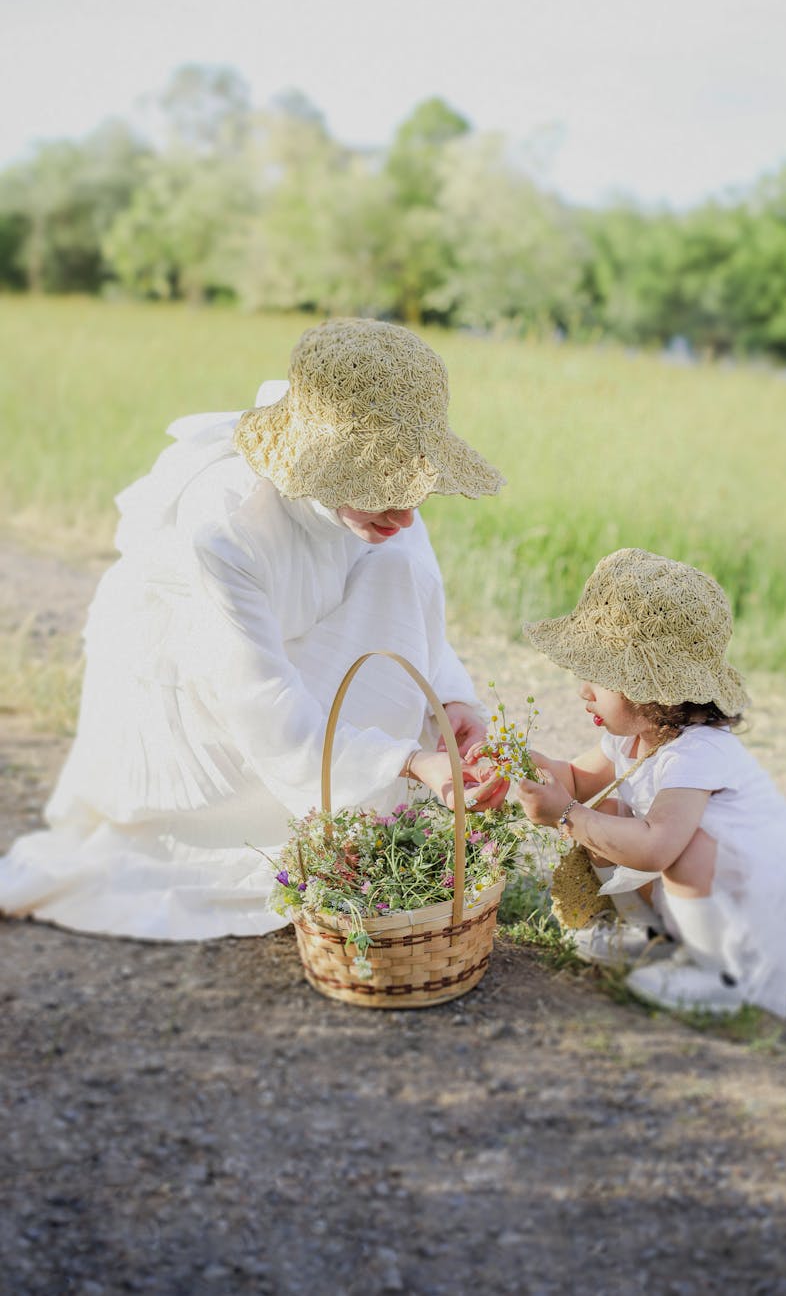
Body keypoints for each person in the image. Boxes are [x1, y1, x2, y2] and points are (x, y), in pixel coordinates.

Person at [0, 318, 506, 941]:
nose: (406, 512)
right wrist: (403, 759)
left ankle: (364, 811)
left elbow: (414, 609)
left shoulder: (392, 514)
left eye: (416, 487)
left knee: (399, 563)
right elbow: (259, 700)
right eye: (383, 491)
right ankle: (331, 818)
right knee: (301, 797)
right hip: (201, 694)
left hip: (290, 657)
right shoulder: (226, 523)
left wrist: (453, 698)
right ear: (326, 470)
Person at [509, 547, 786, 1016]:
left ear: (653, 689)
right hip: (688, 896)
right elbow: (572, 778)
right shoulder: (632, 736)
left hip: (741, 913)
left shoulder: (700, 752)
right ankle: (649, 937)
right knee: (603, 813)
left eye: (600, 677)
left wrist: (565, 814)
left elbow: (656, 848)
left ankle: (717, 975)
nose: (583, 690)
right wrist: (515, 761)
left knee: (680, 845)